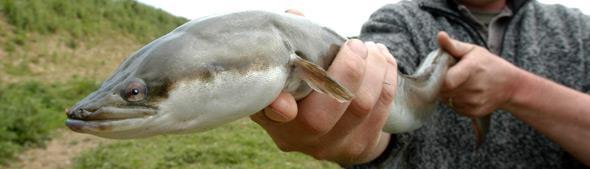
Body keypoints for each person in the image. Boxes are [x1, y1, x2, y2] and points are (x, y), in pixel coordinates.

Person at [250, 0, 590, 168]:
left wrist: (514, 89)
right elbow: (386, 96)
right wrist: (357, 136)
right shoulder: (398, 21)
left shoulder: (576, 30)